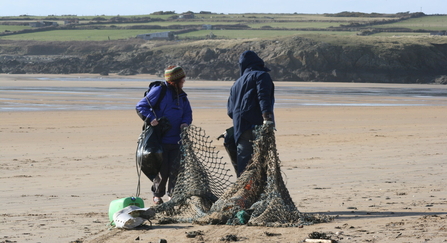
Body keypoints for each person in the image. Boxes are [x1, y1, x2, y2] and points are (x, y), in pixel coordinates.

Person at [136, 66, 193, 205]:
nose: (183, 82)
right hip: (160, 139)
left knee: (176, 169)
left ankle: (172, 196)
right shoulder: (160, 90)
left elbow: (188, 113)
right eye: (181, 80)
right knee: (163, 170)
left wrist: (185, 123)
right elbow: (141, 106)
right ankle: (157, 195)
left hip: (178, 140)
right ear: (174, 81)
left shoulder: (182, 96)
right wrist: (151, 118)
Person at [227, 50, 275, 177]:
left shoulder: (236, 84)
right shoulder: (261, 76)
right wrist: (267, 118)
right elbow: (263, 97)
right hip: (258, 125)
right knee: (261, 160)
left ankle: (243, 192)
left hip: (241, 128)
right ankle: (257, 191)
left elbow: (230, 110)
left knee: (244, 161)